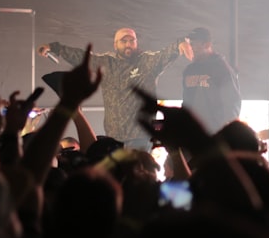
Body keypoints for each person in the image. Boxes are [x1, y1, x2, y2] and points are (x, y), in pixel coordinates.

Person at [38, 28, 193, 150]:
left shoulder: (147, 62)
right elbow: (81, 57)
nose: (128, 44)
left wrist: (180, 44)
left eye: (131, 40)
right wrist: (55, 48)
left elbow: (165, 54)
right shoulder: (107, 63)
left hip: (139, 137)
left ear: (136, 42)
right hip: (113, 138)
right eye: (123, 41)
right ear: (115, 44)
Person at [180, 27, 241, 134]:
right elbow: (186, 102)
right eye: (190, 43)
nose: (191, 47)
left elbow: (233, 102)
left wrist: (227, 130)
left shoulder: (222, 69)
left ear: (207, 45)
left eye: (194, 44)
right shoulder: (189, 70)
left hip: (215, 133)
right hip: (192, 133)